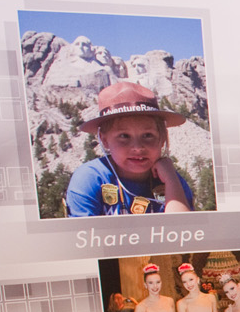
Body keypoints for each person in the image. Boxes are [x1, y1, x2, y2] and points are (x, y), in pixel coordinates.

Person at [66, 82, 193, 217]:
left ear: (162, 139)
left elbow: (183, 232)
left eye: (148, 135)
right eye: (124, 136)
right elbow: (84, 235)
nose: (138, 148)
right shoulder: (90, 178)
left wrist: (171, 180)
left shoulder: (171, 180)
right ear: (104, 140)